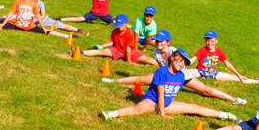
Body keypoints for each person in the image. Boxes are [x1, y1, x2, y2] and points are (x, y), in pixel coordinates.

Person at [103, 30, 247, 106]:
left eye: (162, 41)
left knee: (206, 90)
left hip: (183, 76)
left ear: (168, 42)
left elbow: (181, 68)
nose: (158, 43)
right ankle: (114, 81)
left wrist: (175, 85)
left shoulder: (174, 52)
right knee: (141, 79)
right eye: (157, 40)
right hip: (168, 77)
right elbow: (162, 68)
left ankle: (234, 99)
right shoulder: (156, 53)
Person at [101, 49, 243, 123]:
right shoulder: (162, 72)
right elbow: (160, 94)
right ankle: (112, 113)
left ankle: (226, 115)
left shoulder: (181, 76)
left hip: (167, 104)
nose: (182, 64)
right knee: (138, 109)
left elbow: (173, 93)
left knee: (195, 108)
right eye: (179, 60)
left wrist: (168, 106)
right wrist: (163, 114)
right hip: (153, 102)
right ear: (172, 59)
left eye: (184, 63)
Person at [188, 30, 259, 85]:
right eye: (207, 40)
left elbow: (227, 64)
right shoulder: (202, 50)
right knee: (184, 73)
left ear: (216, 41)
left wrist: (238, 74)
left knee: (236, 78)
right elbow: (192, 59)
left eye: (211, 40)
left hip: (212, 73)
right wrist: (184, 64)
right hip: (200, 71)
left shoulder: (219, 52)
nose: (209, 43)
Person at [82, 14, 157, 65]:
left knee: (148, 59)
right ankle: (81, 52)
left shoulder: (130, 32)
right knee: (100, 52)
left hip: (131, 52)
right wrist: (102, 46)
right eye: (118, 26)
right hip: (117, 50)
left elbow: (128, 48)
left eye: (121, 26)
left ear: (126, 24)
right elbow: (112, 42)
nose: (119, 28)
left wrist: (129, 61)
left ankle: (162, 65)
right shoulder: (115, 31)